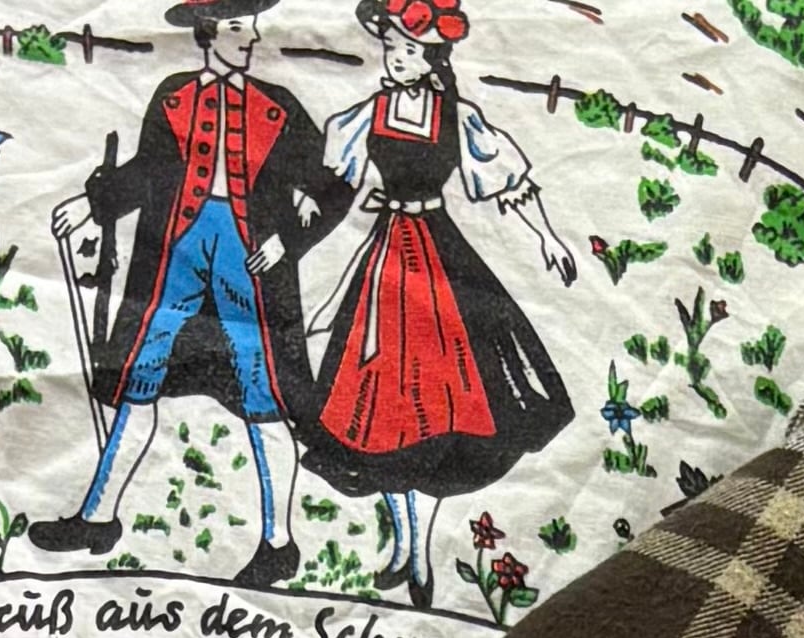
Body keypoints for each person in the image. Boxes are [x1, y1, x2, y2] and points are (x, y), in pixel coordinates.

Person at [34, 0, 353, 591]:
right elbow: (148, 171)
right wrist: (93, 203)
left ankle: (278, 545)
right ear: (207, 34)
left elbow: (334, 188)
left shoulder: (279, 107)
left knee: (265, 390)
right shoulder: (174, 96)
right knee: (137, 377)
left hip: (249, 259)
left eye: (251, 26)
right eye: (236, 27)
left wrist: (287, 242)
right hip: (174, 253)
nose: (251, 37)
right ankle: (97, 518)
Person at [301, 0, 575, 607]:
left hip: (439, 261)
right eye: (390, 48)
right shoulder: (368, 114)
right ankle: (402, 544)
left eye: (406, 50)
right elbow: (334, 177)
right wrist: (307, 202)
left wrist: (548, 238)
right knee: (378, 410)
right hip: (384, 265)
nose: (394, 59)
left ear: (432, 58)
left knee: (436, 404)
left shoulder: (458, 118)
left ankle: (420, 551)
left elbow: (507, 184)